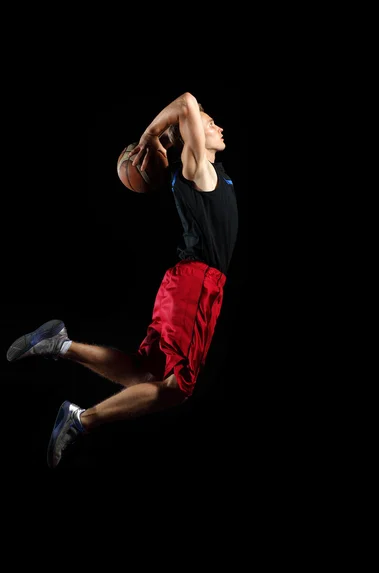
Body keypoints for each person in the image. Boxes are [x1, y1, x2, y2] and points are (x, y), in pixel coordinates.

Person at [6, 92, 239, 469]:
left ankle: (59, 344)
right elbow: (187, 102)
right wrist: (149, 138)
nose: (218, 126)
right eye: (210, 123)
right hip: (198, 282)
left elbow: (188, 111)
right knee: (179, 386)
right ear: (192, 135)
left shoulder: (209, 174)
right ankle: (81, 420)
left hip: (183, 283)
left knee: (144, 372)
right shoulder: (198, 169)